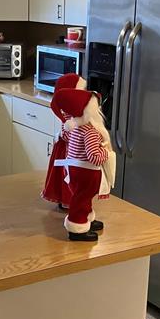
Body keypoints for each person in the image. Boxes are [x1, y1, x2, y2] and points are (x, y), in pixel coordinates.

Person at [53, 86, 115, 241]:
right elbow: (94, 156)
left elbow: (67, 138)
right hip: (86, 173)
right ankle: (77, 227)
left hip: (74, 170)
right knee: (81, 198)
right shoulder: (90, 132)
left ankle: (86, 219)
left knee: (82, 197)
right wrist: (106, 153)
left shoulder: (76, 128)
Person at [42, 73, 89, 209]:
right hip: (68, 152)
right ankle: (68, 202)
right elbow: (68, 134)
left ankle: (68, 201)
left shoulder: (70, 111)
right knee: (68, 177)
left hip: (66, 149)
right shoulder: (69, 114)